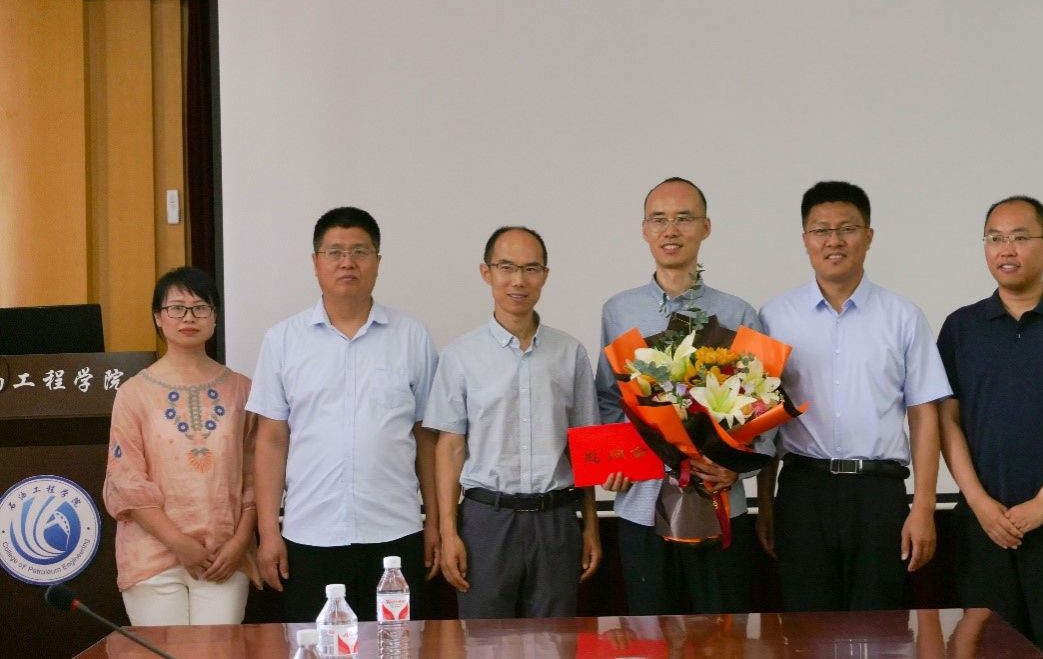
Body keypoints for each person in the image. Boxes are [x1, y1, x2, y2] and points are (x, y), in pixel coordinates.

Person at [756, 180, 948, 611]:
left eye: (847, 228)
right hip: (803, 491)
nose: (834, 240)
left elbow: (923, 414)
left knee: (880, 627)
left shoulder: (903, 317)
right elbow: (763, 416)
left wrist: (923, 507)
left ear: (869, 236)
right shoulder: (774, 317)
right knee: (807, 628)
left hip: (878, 494)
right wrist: (766, 504)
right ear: (805, 240)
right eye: (821, 230)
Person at [936, 196, 1043, 659]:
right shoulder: (960, 328)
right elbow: (946, 421)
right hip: (982, 524)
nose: (1006, 249)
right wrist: (979, 503)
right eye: (995, 239)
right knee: (985, 650)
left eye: (1019, 238)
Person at [249, 207, 440, 621]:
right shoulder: (283, 340)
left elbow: (426, 437)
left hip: (396, 531)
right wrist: (268, 531)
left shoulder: (412, 336)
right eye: (334, 252)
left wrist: (436, 523)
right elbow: (270, 441)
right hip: (310, 533)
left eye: (360, 251)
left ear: (378, 261)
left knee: (397, 647)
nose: (347, 262)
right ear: (315, 262)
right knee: (317, 646)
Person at [596, 177, 768, 615]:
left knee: (720, 636)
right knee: (649, 634)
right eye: (659, 220)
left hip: (719, 503)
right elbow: (609, 399)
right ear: (644, 230)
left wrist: (736, 467)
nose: (670, 230)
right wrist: (615, 460)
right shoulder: (619, 310)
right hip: (641, 505)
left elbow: (762, 407)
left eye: (684, 219)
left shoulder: (737, 313)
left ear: (705, 227)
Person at [426, 226, 602, 618]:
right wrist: (449, 533)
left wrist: (590, 525)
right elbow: (449, 448)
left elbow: (585, 446)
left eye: (530, 269)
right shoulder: (460, 356)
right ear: (486, 273)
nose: (518, 280)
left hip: (556, 520)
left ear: (545, 275)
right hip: (486, 522)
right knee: (485, 642)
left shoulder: (569, 353)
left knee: (555, 641)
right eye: (506, 267)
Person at [104, 266, 260, 625]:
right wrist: (179, 543)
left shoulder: (243, 390)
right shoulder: (133, 393)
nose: (188, 317)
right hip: (152, 554)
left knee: (218, 650)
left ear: (215, 317)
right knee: (163, 650)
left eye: (200, 308)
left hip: (223, 556)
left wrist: (240, 542)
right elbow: (125, 481)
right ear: (158, 318)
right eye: (176, 308)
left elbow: (256, 475)